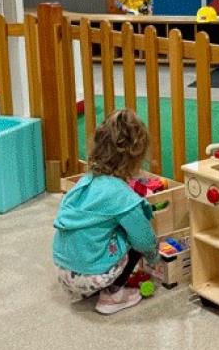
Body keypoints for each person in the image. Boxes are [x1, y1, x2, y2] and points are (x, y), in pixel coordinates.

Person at [53, 110, 159, 315]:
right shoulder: (121, 195)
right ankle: (113, 295)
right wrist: (154, 256)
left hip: (63, 271)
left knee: (103, 229)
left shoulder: (85, 181)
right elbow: (143, 239)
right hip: (92, 275)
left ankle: (94, 282)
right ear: (135, 157)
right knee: (136, 234)